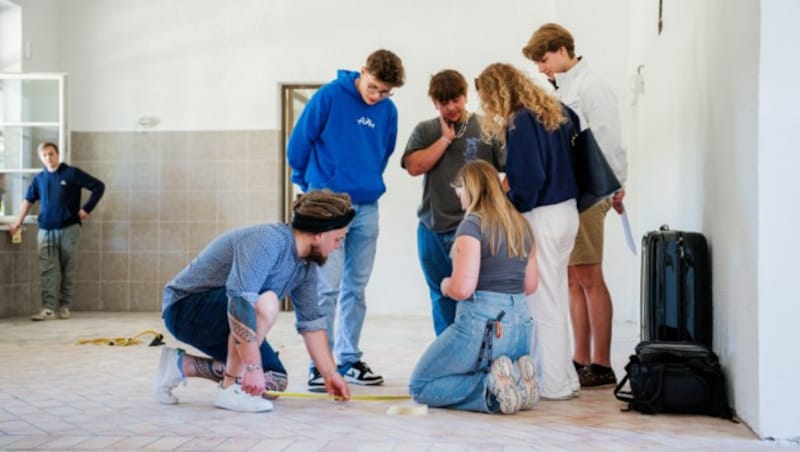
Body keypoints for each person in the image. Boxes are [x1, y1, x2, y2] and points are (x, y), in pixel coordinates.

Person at [155, 190, 354, 412]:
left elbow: (312, 325)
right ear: (319, 234)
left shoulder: (306, 267)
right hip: (186, 309)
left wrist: (330, 374)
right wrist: (251, 366)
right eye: (338, 239)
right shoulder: (268, 241)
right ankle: (230, 389)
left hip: (227, 316)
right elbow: (240, 302)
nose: (337, 246)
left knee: (274, 382)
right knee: (267, 302)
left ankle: (181, 365)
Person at [287, 49, 405, 389]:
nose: (377, 96)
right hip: (327, 205)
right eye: (373, 87)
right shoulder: (329, 96)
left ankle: (349, 358)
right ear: (363, 71)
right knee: (327, 287)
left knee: (357, 288)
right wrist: (307, 187)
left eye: (385, 92)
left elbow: (383, 153)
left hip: (367, 206)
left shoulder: (388, 111)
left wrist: (364, 182)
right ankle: (318, 365)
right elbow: (298, 144)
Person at [523, 23, 628, 387]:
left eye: (544, 59)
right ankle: (580, 358)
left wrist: (616, 186)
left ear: (563, 50)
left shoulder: (592, 86)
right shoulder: (563, 87)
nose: (541, 68)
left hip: (590, 193)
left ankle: (601, 362)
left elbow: (609, 138)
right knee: (572, 278)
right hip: (572, 193)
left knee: (589, 277)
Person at [475, 63, 580, 400]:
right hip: (567, 212)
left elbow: (531, 178)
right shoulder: (556, 112)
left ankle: (554, 384)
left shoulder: (520, 120)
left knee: (543, 303)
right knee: (556, 297)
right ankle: (564, 377)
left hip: (544, 215)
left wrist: (511, 201)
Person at [408, 160, 539, 415]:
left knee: (421, 384)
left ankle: (490, 388)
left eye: (459, 189)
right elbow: (530, 285)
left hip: (483, 328)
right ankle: (515, 379)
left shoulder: (472, 225)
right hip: (520, 330)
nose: (458, 196)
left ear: (469, 189)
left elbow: (463, 289)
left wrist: (445, 285)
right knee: (460, 368)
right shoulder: (522, 225)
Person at [402, 69, 505, 335]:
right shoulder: (426, 130)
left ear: (465, 95)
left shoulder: (487, 127)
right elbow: (414, 166)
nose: (451, 108)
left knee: (479, 296)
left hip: (476, 229)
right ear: (434, 103)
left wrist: (498, 202)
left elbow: (514, 170)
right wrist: (445, 139)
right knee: (441, 295)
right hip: (433, 228)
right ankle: (448, 357)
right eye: (443, 103)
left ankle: (480, 357)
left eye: (455, 100)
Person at [8, 142, 105, 321]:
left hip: (69, 228)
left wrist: (86, 209)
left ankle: (64, 306)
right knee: (47, 269)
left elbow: (99, 186)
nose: (48, 158)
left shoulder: (72, 173)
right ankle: (47, 308)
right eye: (44, 155)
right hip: (45, 230)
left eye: (51, 154)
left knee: (68, 268)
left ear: (58, 154)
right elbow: (28, 200)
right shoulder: (39, 179)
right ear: (41, 158)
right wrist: (18, 223)